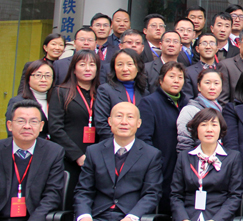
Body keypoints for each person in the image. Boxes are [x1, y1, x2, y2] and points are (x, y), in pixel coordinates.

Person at [61, 102, 162, 221]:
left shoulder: (151, 154)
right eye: (119, 116)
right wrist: (84, 215)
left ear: (138, 123)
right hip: (96, 219)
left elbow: (152, 193)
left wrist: (132, 217)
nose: (124, 121)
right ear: (109, 121)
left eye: (130, 117)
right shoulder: (94, 151)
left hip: (127, 219)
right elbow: (83, 190)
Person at [0, 100, 65, 221]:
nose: (27, 126)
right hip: (2, 220)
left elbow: (53, 193)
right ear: (10, 125)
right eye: (21, 121)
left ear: (41, 126)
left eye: (33, 121)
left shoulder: (53, 152)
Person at [47, 50, 101, 206]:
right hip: (69, 157)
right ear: (74, 69)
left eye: (92, 65)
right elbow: (55, 128)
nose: (87, 69)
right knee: (69, 200)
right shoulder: (61, 92)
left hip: (96, 157)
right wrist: (77, 156)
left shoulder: (101, 93)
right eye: (82, 64)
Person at [138, 61, 191, 213]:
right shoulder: (149, 103)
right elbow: (144, 138)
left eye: (180, 77)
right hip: (161, 167)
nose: (176, 81)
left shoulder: (187, 103)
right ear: (161, 80)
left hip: (182, 166)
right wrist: (156, 163)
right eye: (171, 76)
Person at [94, 48, 148, 140]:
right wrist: (122, 143)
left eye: (130, 64)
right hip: (113, 143)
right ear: (114, 68)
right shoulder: (105, 90)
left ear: (138, 67)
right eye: (120, 64)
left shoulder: (144, 92)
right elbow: (101, 123)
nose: (125, 69)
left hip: (139, 145)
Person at [177, 69, 224, 152]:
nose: (212, 87)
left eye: (216, 83)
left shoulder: (222, 110)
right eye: (207, 83)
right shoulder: (189, 110)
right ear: (199, 86)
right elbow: (184, 144)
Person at [7, 60, 55, 132]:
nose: (43, 80)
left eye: (48, 76)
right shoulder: (17, 101)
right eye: (38, 75)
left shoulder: (57, 100)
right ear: (28, 78)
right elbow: (12, 132)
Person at [184, 32, 219, 97]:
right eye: (204, 43)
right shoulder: (188, 72)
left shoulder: (224, 69)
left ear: (217, 48)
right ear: (197, 49)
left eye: (212, 43)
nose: (208, 47)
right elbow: (187, 98)